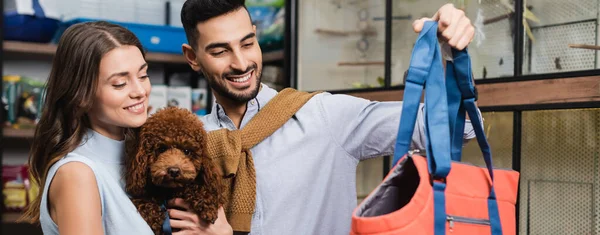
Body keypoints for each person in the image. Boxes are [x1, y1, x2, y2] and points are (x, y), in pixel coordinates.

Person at [180, 0, 478, 234]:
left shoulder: (324, 116)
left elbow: (457, 127)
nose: (241, 62)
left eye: (247, 44)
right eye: (220, 51)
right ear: (192, 58)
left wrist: (449, 51)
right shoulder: (186, 146)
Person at [20, 21, 232, 235]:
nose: (140, 91)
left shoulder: (141, 158)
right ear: (81, 96)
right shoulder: (77, 175)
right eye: (120, 83)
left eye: (143, 75)